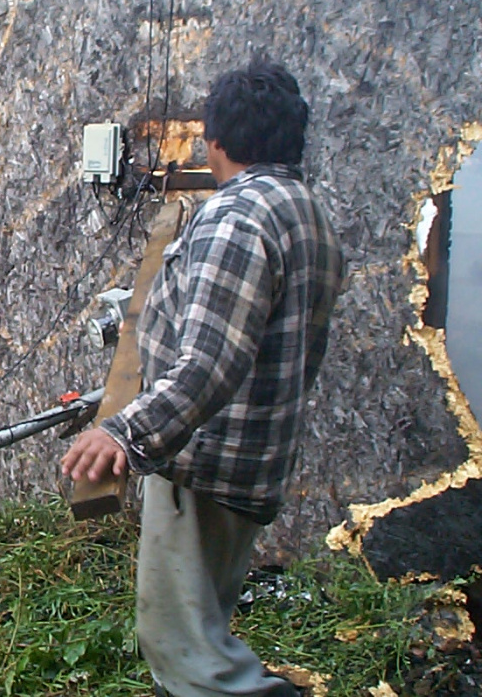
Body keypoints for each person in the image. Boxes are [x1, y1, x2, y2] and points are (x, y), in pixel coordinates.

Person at [61, 61, 346, 697]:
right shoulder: (306, 214)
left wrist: (126, 431)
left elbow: (210, 361)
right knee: (201, 633)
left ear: (215, 140)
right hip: (252, 459)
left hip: (206, 465)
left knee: (189, 658)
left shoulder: (237, 217)